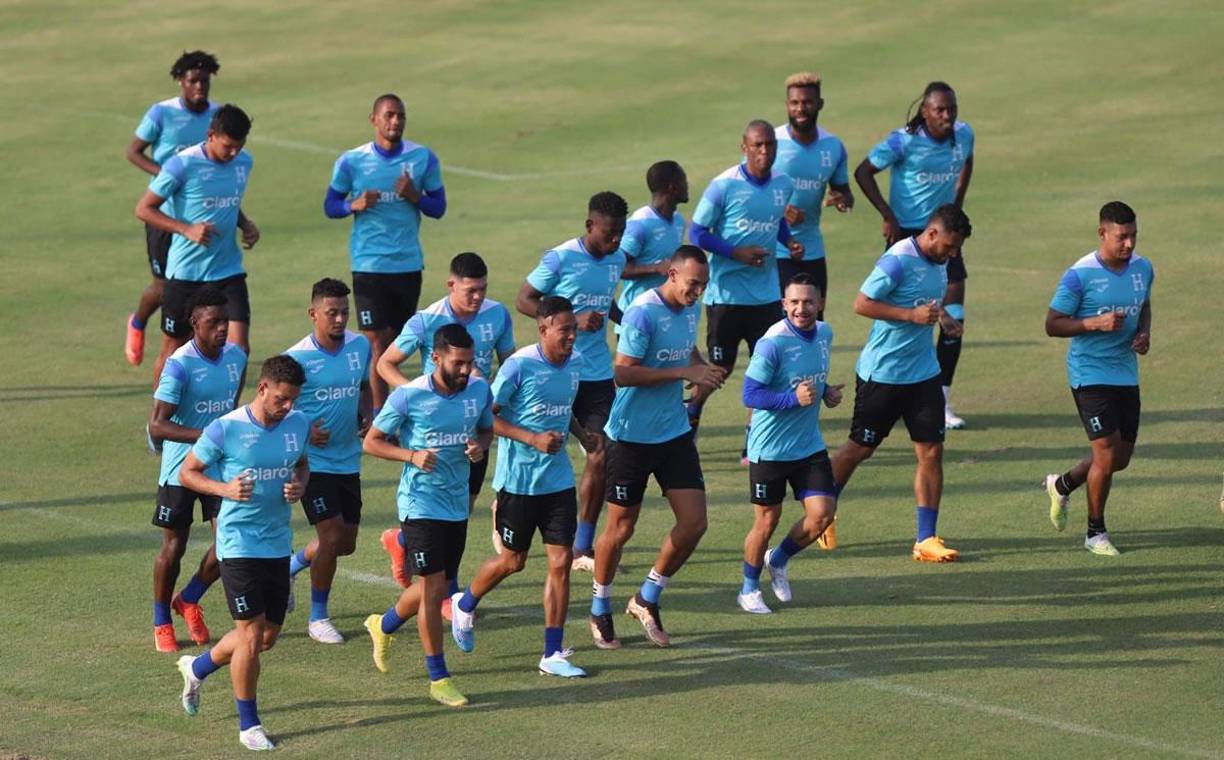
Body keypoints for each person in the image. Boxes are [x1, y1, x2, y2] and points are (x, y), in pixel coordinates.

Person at [590, 246, 725, 649]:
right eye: (693, 284)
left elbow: (686, 349)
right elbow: (623, 373)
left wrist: (700, 369)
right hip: (630, 438)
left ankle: (646, 597)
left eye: (703, 285)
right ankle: (599, 606)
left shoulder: (690, 309)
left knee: (694, 523)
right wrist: (683, 371)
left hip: (673, 432)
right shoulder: (642, 313)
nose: (698, 292)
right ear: (672, 274)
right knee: (621, 529)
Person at [173, 356, 310, 752]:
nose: (288, 407)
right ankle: (249, 725)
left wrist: (299, 484)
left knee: (266, 637)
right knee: (249, 635)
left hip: (276, 541)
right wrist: (225, 490)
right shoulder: (226, 428)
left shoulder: (298, 423)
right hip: (238, 544)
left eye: (293, 400)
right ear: (262, 388)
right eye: (281, 399)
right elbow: (188, 472)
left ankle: (197, 667)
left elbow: (302, 464)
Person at [448, 296, 587, 677]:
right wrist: (532, 439)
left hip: (558, 481)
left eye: (574, 329)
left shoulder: (576, 363)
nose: (572, 337)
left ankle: (552, 653)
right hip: (519, 483)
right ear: (543, 330)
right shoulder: (518, 367)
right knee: (513, 561)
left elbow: (563, 409)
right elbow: (487, 418)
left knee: (561, 562)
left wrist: (582, 435)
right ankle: (465, 603)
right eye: (565, 330)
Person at [828, 204, 971, 563]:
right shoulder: (898, 259)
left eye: (957, 249)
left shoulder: (940, 260)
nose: (953, 254)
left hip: (923, 373)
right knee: (860, 449)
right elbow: (862, 303)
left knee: (931, 451)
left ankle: (926, 539)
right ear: (932, 233)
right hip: (884, 374)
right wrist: (910, 315)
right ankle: (822, 509)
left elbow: (925, 300)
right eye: (949, 246)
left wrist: (943, 318)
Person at [361, 325, 493, 708]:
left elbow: (487, 430)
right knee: (435, 588)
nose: (466, 370)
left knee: (435, 585)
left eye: (470, 362)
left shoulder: (479, 391)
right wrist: (411, 456)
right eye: (458, 363)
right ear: (435, 358)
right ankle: (439, 678)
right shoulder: (409, 396)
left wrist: (479, 447)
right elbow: (372, 442)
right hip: (419, 503)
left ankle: (383, 624)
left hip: (456, 503)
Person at [376, 252, 514, 597]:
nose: (478, 297)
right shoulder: (426, 321)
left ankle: (404, 542)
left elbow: (510, 364)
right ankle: (445, 592)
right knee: (435, 506)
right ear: (451, 285)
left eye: (483, 289)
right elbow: (385, 363)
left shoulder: (498, 314)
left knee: (462, 506)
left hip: (472, 422)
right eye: (470, 291)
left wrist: (494, 401)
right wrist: (414, 397)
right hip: (432, 430)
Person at [516, 192, 627, 572]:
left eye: (620, 233)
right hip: (556, 372)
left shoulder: (617, 259)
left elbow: (606, 301)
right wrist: (572, 321)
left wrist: (627, 320)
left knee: (600, 452)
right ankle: (507, 506)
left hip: (596, 374)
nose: (616, 240)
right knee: (544, 453)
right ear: (590, 226)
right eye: (609, 233)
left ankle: (582, 545)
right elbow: (525, 299)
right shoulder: (560, 258)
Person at [855, 81, 974, 429]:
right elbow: (863, 171)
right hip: (908, 235)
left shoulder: (964, 135)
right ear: (925, 111)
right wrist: (887, 215)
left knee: (953, 319)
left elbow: (967, 161)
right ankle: (886, 386)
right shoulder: (902, 141)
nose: (947, 116)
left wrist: (955, 209)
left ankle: (942, 399)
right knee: (898, 314)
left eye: (952, 109)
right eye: (940, 110)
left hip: (945, 239)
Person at [324, 93, 447, 414]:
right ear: (373, 119)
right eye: (389, 115)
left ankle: (385, 408)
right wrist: (353, 204)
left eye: (400, 116)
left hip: (407, 265)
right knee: (376, 342)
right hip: (369, 266)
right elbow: (330, 205)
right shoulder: (352, 161)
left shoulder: (423, 158)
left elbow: (439, 207)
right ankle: (381, 417)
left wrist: (415, 196)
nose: (395, 121)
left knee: (397, 345)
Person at [688, 119, 802, 461]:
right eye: (758, 145)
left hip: (766, 295)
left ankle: (753, 441)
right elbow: (697, 233)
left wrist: (789, 242)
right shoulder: (723, 186)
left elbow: (776, 220)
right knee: (719, 370)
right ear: (744, 148)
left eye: (770, 145)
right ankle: (691, 413)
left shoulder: (783, 184)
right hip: (726, 297)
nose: (765, 151)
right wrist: (736, 253)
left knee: (765, 370)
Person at [1044, 202, 1152, 556]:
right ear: (1102, 233)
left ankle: (1062, 485)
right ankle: (1095, 533)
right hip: (1089, 374)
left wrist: (1144, 334)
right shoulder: (1080, 275)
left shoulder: (1143, 268)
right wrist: (1094, 323)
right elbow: (1053, 323)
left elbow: (1144, 305)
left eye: (1133, 236)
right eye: (1122, 237)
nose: (1129, 244)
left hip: (1125, 373)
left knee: (1120, 458)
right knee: (1105, 455)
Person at [148, 286, 246, 651]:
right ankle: (161, 621)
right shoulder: (180, 365)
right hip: (180, 469)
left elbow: (231, 409)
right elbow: (157, 424)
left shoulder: (236, 357)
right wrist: (206, 435)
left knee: (228, 544)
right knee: (174, 546)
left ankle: (189, 598)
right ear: (194, 322)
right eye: (213, 322)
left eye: (225, 321)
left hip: (219, 469)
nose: (222, 328)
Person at [738, 274, 842, 614]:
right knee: (766, 521)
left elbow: (811, 375)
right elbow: (750, 395)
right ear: (784, 304)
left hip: (808, 445)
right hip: (769, 449)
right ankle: (749, 589)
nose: (802, 308)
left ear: (820, 303)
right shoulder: (772, 344)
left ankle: (779, 559)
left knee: (822, 515)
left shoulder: (825, 334)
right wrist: (792, 399)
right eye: (794, 302)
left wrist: (825, 392)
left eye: (808, 301)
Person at [135, 103, 260, 388]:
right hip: (186, 273)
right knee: (174, 349)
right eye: (227, 146)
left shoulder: (244, 163)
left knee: (239, 349)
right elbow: (143, 209)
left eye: (239, 146)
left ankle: (228, 412)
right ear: (210, 135)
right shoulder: (182, 165)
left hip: (227, 270)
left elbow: (229, 201)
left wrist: (245, 224)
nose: (233, 153)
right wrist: (185, 229)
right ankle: (160, 413)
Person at [283, 279, 372, 643]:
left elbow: (363, 387)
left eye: (344, 313)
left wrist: (367, 415)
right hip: (312, 463)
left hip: (348, 459)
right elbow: (277, 409)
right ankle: (318, 617)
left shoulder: (360, 346)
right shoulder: (296, 359)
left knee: (345, 543)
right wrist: (305, 430)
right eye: (331, 313)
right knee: (331, 536)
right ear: (313, 313)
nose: (339, 319)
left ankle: (290, 567)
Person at [124, 50, 221, 367]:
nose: (199, 87)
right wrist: (166, 177)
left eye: (204, 81)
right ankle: (138, 322)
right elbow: (133, 151)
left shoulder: (218, 116)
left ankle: (191, 351)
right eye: (193, 81)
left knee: (198, 285)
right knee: (165, 286)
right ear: (181, 81)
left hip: (201, 217)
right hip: (164, 213)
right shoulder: (161, 113)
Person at [773, 72, 853, 318]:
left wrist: (843, 200)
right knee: (780, 324)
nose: (800, 108)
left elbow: (844, 192)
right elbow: (746, 192)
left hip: (812, 248)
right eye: (795, 102)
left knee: (815, 320)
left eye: (807, 102)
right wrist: (781, 210)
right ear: (787, 105)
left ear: (820, 104)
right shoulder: (771, 142)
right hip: (775, 249)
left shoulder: (833, 146)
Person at [614, 161, 688, 327]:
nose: (687, 185)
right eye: (683, 180)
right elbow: (617, 267)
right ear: (672, 187)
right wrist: (655, 268)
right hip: (637, 317)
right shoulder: (640, 224)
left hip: (666, 316)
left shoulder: (678, 221)